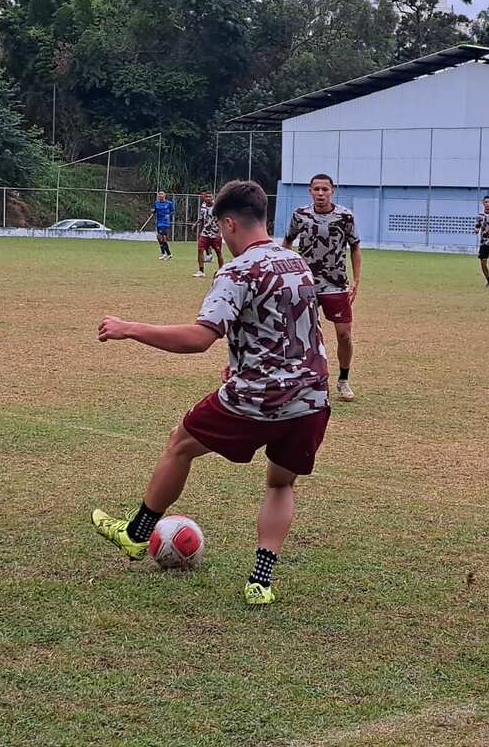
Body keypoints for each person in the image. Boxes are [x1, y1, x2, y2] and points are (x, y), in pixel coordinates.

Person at [92, 180, 330, 606]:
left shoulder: (237, 270)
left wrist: (130, 328)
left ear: (229, 222)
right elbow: (290, 328)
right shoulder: (296, 262)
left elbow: (199, 338)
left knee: (180, 444)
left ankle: (136, 533)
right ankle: (261, 580)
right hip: (311, 397)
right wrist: (243, 358)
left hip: (257, 397)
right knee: (280, 485)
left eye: (221, 230)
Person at [283, 174, 360, 401]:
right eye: (316, 189)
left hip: (335, 284)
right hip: (305, 283)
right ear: (310, 191)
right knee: (302, 334)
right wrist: (285, 271)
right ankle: (300, 379)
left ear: (332, 191)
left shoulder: (345, 216)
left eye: (324, 189)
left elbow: (355, 248)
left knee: (344, 335)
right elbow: (287, 242)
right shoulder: (301, 215)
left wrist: (356, 280)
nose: (320, 193)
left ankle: (343, 380)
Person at [192, 190, 223, 278]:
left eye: (210, 196)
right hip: (205, 233)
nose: (208, 198)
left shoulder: (217, 207)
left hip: (215, 233)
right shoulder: (203, 206)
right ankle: (201, 271)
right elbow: (202, 219)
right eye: (207, 196)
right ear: (204, 198)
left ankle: (221, 271)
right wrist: (197, 228)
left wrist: (219, 234)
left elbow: (221, 220)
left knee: (218, 252)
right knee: (200, 250)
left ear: (213, 197)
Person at [153, 191, 175, 260]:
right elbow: (155, 211)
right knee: (159, 238)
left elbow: (173, 211)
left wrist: (169, 215)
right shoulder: (156, 203)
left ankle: (167, 254)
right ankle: (166, 253)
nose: (160, 195)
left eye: (162, 194)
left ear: (165, 195)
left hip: (165, 223)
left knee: (162, 237)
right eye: (159, 194)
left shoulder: (169, 203)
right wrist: (153, 211)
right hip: (158, 222)